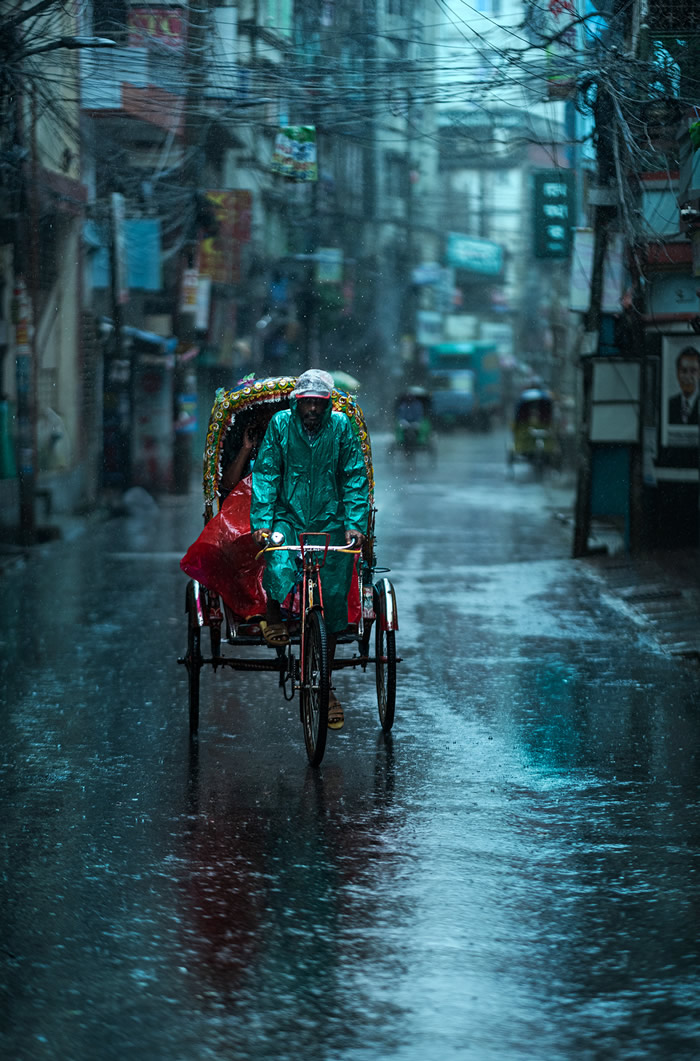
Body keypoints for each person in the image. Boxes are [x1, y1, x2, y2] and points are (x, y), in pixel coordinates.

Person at [251, 369, 369, 730]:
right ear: (297, 403)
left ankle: (326, 686)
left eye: (319, 404)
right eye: (308, 404)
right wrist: (263, 522)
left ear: (327, 404)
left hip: (330, 518)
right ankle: (273, 614)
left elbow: (353, 475)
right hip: (288, 514)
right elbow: (268, 472)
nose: (313, 410)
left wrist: (354, 523)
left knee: (332, 597)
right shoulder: (280, 426)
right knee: (278, 557)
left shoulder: (343, 428)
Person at [668, 346, 700, 425]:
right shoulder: (669, 405)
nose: (688, 377)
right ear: (677, 374)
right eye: (684, 371)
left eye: (693, 371)